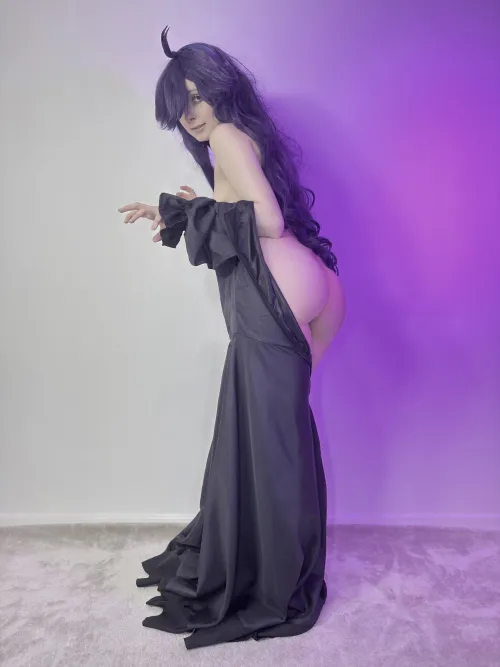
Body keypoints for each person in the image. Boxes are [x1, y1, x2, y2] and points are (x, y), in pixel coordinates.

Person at [118, 26, 346, 650]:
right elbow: (253, 214)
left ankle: (274, 583)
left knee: (270, 454)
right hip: (312, 295)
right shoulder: (245, 136)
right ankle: (283, 566)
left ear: (221, 88)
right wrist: (190, 208)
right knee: (280, 448)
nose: (191, 114)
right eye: (180, 105)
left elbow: (264, 220)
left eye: (198, 96)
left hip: (272, 307)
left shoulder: (224, 137)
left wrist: (191, 213)